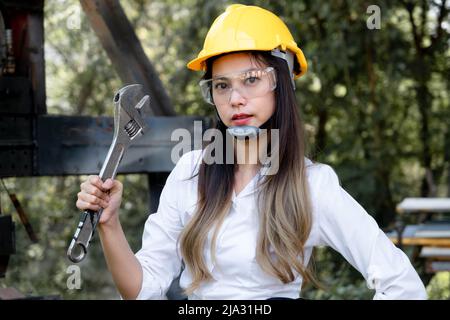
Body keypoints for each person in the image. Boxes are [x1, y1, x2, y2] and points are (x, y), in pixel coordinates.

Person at [76, 4, 427, 300]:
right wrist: (109, 224)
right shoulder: (190, 171)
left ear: (283, 84)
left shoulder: (312, 185)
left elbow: (403, 286)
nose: (235, 99)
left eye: (252, 79)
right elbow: (140, 290)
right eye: (222, 86)